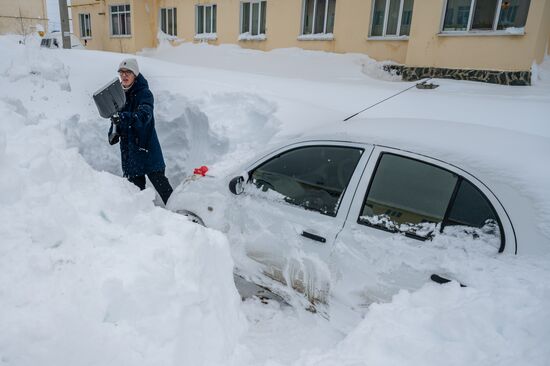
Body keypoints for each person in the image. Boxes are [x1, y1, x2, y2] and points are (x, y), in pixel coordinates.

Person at [108, 58, 173, 205]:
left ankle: (183, 216)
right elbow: (115, 118)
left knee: (165, 192)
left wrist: (123, 117)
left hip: (147, 151)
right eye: (122, 72)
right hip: (130, 155)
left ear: (135, 75)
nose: (124, 75)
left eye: (128, 72)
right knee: (136, 198)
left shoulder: (144, 93)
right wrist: (113, 132)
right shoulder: (117, 96)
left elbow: (144, 116)